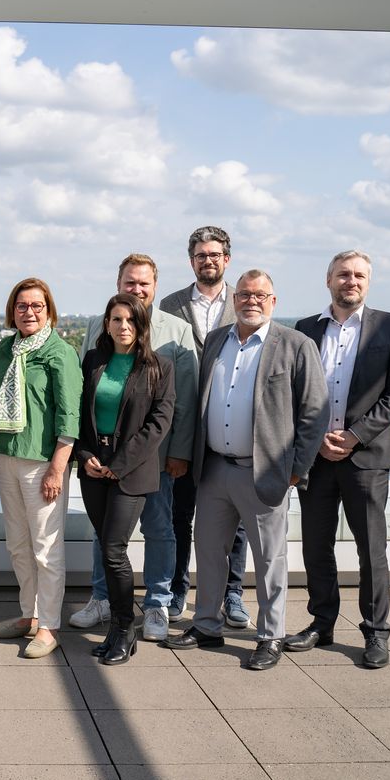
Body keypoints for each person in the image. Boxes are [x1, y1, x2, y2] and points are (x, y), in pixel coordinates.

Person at [163, 270, 328, 671]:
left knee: (270, 559)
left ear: (274, 301)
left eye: (260, 295)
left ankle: (269, 635)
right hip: (215, 468)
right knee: (210, 551)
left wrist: (294, 470)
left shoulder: (295, 345)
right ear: (234, 300)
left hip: (265, 473)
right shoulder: (218, 341)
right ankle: (206, 624)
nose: (251, 301)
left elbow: (315, 414)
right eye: (245, 295)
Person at [284, 250, 390, 669]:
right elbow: (295, 392)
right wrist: (316, 438)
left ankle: (376, 632)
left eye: (358, 275)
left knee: (370, 549)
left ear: (367, 283)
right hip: (317, 458)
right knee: (316, 547)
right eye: (343, 274)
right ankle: (322, 624)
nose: (350, 281)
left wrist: (354, 436)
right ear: (328, 280)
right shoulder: (305, 329)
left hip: (366, 458)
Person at [74, 255, 197, 642]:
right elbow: (85, 397)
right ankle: (102, 598)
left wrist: (180, 452)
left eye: (144, 284)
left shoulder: (176, 330)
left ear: (155, 286)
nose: (137, 290)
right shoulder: (98, 326)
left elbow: (183, 402)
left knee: (160, 528)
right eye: (130, 283)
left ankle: (158, 602)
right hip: (101, 459)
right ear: (119, 283)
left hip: (155, 460)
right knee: (105, 533)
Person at [0, 278, 83, 659]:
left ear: (49, 311)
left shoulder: (60, 352)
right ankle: (28, 615)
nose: (29, 312)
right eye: (22, 306)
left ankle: (49, 626)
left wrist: (57, 469)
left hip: (42, 462)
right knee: (18, 544)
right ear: (13, 311)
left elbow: (69, 415)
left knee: (46, 547)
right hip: (7, 456)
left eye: (37, 306)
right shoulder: (8, 347)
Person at [159, 226, 250, 626]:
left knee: (239, 521)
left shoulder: (244, 302)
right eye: (200, 255)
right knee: (180, 515)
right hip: (184, 428)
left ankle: (233, 594)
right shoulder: (170, 303)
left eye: (215, 254)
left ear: (226, 259)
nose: (207, 260)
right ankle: (179, 588)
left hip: (231, 428)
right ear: (191, 260)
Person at [78, 293, 174, 665]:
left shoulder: (159, 367)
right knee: (106, 547)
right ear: (107, 324)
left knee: (115, 551)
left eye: (131, 320)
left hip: (130, 472)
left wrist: (118, 464)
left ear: (141, 326)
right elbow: (80, 416)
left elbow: (158, 425)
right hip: (92, 469)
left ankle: (123, 629)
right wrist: (86, 456)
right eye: (116, 320)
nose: (123, 327)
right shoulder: (92, 362)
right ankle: (118, 629)